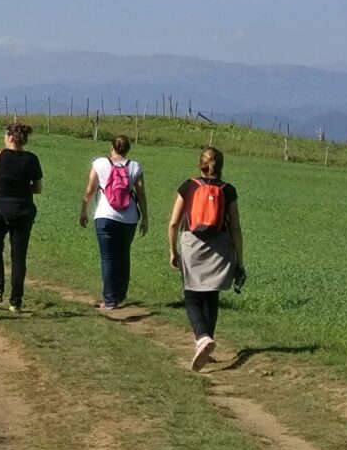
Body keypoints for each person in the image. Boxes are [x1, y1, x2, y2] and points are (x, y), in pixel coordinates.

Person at [165, 145, 245, 369]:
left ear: (199, 164)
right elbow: (236, 228)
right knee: (211, 296)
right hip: (219, 246)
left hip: (191, 244)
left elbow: (173, 223)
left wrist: (173, 251)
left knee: (191, 296)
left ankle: (202, 338)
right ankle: (206, 342)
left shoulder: (188, 186)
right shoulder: (228, 190)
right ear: (220, 166)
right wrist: (240, 259)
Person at [78, 133, 146, 309]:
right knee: (123, 256)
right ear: (128, 149)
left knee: (107, 258)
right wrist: (145, 218)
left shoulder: (100, 163)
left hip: (104, 215)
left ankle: (108, 300)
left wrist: (84, 210)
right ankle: (120, 295)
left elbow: (90, 189)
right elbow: (141, 194)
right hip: (128, 218)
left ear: (112, 147)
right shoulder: (135, 167)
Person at [0, 120, 43, 311]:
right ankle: (16, 301)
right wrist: (22, 187)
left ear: (9, 137)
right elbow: (38, 188)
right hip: (23, 211)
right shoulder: (32, 159)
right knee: (19, 256)